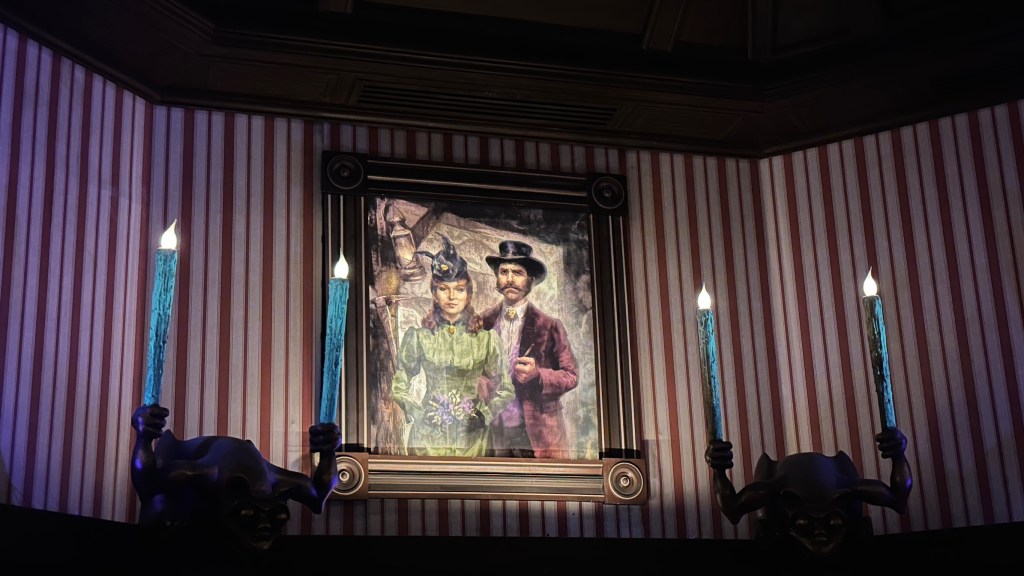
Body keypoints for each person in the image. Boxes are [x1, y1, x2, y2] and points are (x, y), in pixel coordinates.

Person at [129, 403, 341, 552]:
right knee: (156, 510)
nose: (264, 525)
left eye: (275, 517)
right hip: (187, 522)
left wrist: (329, 451)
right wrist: (144, 437)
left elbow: (317, 497)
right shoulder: (206, 473)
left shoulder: (275, 480)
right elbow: (148, 488)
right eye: (249, 515)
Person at [390, 234, 514, 457]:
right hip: (427, 439)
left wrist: (485, 414)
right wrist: (417, 412)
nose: (451, 296)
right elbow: (399, 385)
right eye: (443, 289)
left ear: (468, 295)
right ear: (434, 294)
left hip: (472, 438)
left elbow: (506, 388)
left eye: (459, 289)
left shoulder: (486, 339)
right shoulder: (419, 337)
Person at [481, 239, 579, 459]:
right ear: (497, 278)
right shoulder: (482, 322)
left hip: (536, 433)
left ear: (530, 280)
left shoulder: (549, 325)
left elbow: (571, 376)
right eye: (503, 272)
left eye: (517, 273)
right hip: (493, 432)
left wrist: (538, 376)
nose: (509, 280)